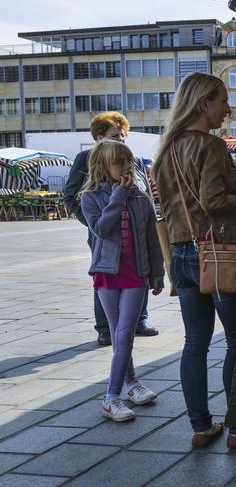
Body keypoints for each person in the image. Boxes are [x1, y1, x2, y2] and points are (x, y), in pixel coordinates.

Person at [152, 72, 236, 449]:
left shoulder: (167, 148)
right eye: (223, 101)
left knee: (195, 342)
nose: (228, 108)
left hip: (181, 253)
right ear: (203, 104)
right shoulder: (210, 146)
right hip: (217, 253)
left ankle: (201, 426)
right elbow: (212, 202)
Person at [80, 141, 164, 422]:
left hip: (135, 274)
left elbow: (153, 239)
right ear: (103, 166)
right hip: (107, 273)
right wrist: (117, 196)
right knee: (119, 337)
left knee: (125, 334)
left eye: (129, 161)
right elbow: (102, 229)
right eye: (120, 162)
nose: (127, 167)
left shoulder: (141, 197)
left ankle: (112, 395)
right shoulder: (90, 197)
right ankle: (129, 386)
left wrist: (158, 273)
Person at [64, 112, 158, 346]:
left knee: (140, 269)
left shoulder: (131, 157)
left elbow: (143, 188)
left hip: (133, 226)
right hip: (103, 231)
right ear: (99, 137)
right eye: (115, 135)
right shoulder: (85, 157)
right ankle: (105, 327)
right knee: (106, 275)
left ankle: (140, 320)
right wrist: (91, 223)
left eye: (123, 135)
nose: (121, 140)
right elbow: (71, 194)